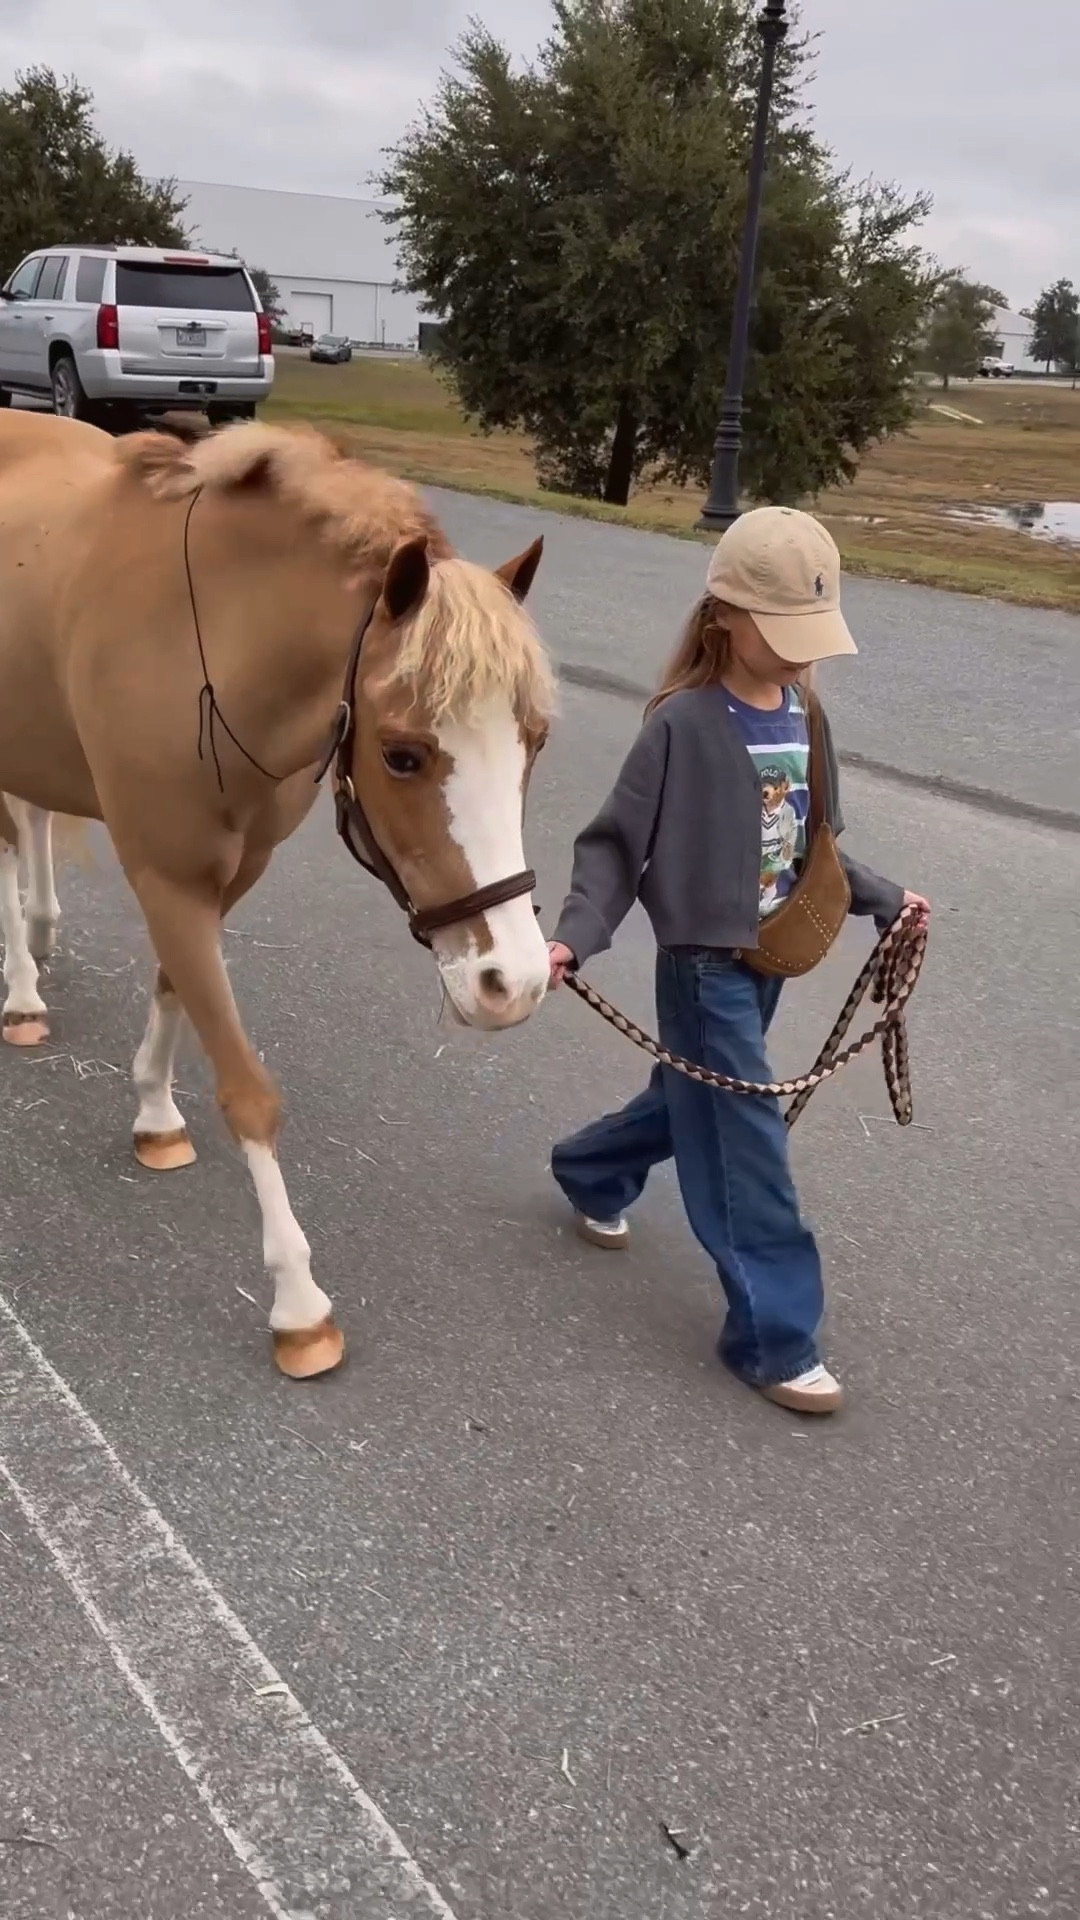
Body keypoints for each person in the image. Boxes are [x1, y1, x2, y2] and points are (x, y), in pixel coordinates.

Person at [547, 507, 929, 1416]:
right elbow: (614, 846)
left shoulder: (805, 714)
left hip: (769, 960)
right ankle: (774, 1338)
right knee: (744, 1137)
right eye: (784, 631)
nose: (803, 655)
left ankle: (591, 1169)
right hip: (703, 967)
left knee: (697, 1100)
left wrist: (886, 898)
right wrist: (572, 936)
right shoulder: (680, 725)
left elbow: (813, 847)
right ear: (724, 615)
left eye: (812, 632)